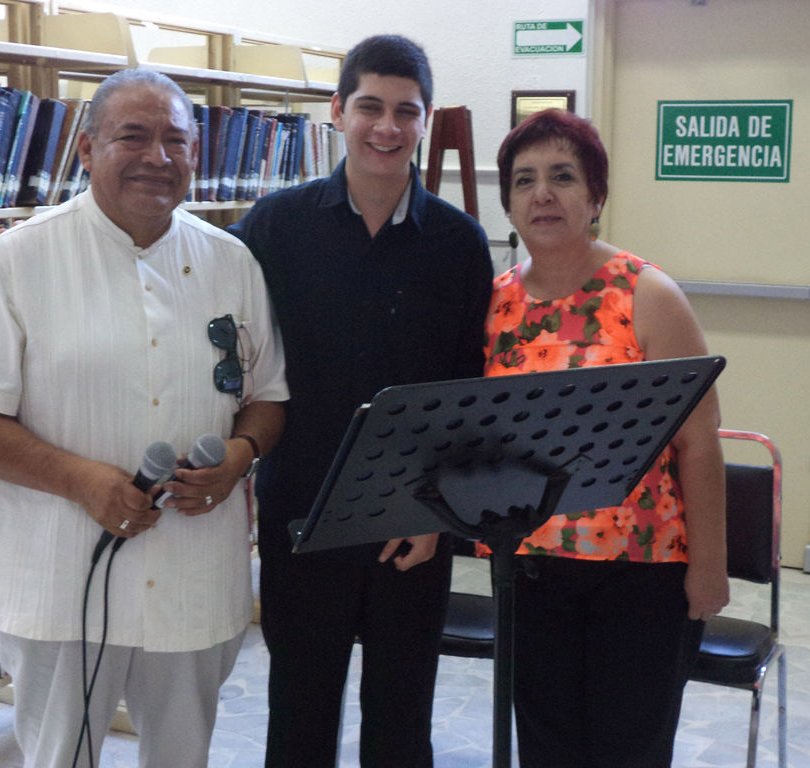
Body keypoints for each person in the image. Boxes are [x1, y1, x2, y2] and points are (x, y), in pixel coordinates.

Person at [0, 69, 288, 768]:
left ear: (196, 153)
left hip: (193, 568)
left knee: (182, 756)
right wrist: (80, 480)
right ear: (87, 149)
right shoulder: (19, 259)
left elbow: (268, 395)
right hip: (62, 575)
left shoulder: (231, 261)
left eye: (176, 140)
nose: (158, 157)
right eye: (133, 137)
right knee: (63, 756)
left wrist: (241, 455)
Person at [228, 34, 493, 768]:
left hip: (413, 522)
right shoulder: (274, 227)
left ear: (425, 120)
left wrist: (437, 517)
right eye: (370, 107)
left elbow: (467, 393)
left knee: (402, 722)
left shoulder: (460, 244)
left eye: (406, 111)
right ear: (338, 111)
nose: (386, 127)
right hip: (302, 512)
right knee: (299, 717)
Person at [483, 108, 730, 767]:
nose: (542, 194)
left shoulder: (648, 295)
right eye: (525, 180)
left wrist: (709, 568)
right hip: (530, 568)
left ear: (596, 197)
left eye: (562, 176)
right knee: (547, 750)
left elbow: (700, 442)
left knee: (631, 750)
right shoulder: (494, 306)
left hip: (642, 572)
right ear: (507, 202)